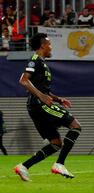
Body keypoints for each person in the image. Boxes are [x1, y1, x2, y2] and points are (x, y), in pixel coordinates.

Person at [14, 33, 82, 182]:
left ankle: (23, 166)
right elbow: (23, 80)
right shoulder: (35, 60)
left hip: (36, 105)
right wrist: (41, 96)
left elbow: (41, 88)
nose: (51, 47)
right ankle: (59, 164)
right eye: (49, 44)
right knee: (75, 126)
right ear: (43, 45)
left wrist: (58, 99)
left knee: (55, 143)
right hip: (39, 104)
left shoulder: (42, 63)